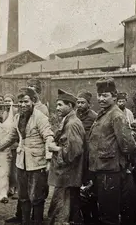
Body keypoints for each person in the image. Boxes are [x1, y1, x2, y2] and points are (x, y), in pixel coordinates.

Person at [0, 87, 54, 225]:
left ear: (33, 101)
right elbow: (12, 136)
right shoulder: (18, 117)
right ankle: (25, 221)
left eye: (26, 101)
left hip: (37, 163)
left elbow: (49, 137)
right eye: (20, 102)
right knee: (23, 196)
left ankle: (37, 221)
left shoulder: (40, 118)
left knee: (36, 197)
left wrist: (48, 160)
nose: (23, 105)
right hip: (21, 162)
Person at [88, 77, 136, 225]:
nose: (101, 98)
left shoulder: (116, 115)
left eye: (105, 95)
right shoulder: (104, 113)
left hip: (110, 171)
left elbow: (128, 144)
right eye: (99, 95)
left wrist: (122, 163)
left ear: (114, 97)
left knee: (109, 215)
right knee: (103, 210)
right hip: (101, 170)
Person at [48, 89, 85, 225]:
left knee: (61, 208)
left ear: (70, 106)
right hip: (67, 174)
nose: (57, 108)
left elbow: (74, 152)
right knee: (64, 207)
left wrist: (55, 148)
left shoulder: (72, 124)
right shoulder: (68, 120)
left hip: (67, 174)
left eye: (60, 105)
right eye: (57, 105)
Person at [75, 90, 98, 225]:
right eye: (78, 102)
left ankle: (92, 218)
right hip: (77, 155)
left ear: (89, 104)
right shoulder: (75, 115)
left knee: (89, 188)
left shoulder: (94, 117)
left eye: (82, 102)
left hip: (88, 156)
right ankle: (80, 217)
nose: (79, 105)